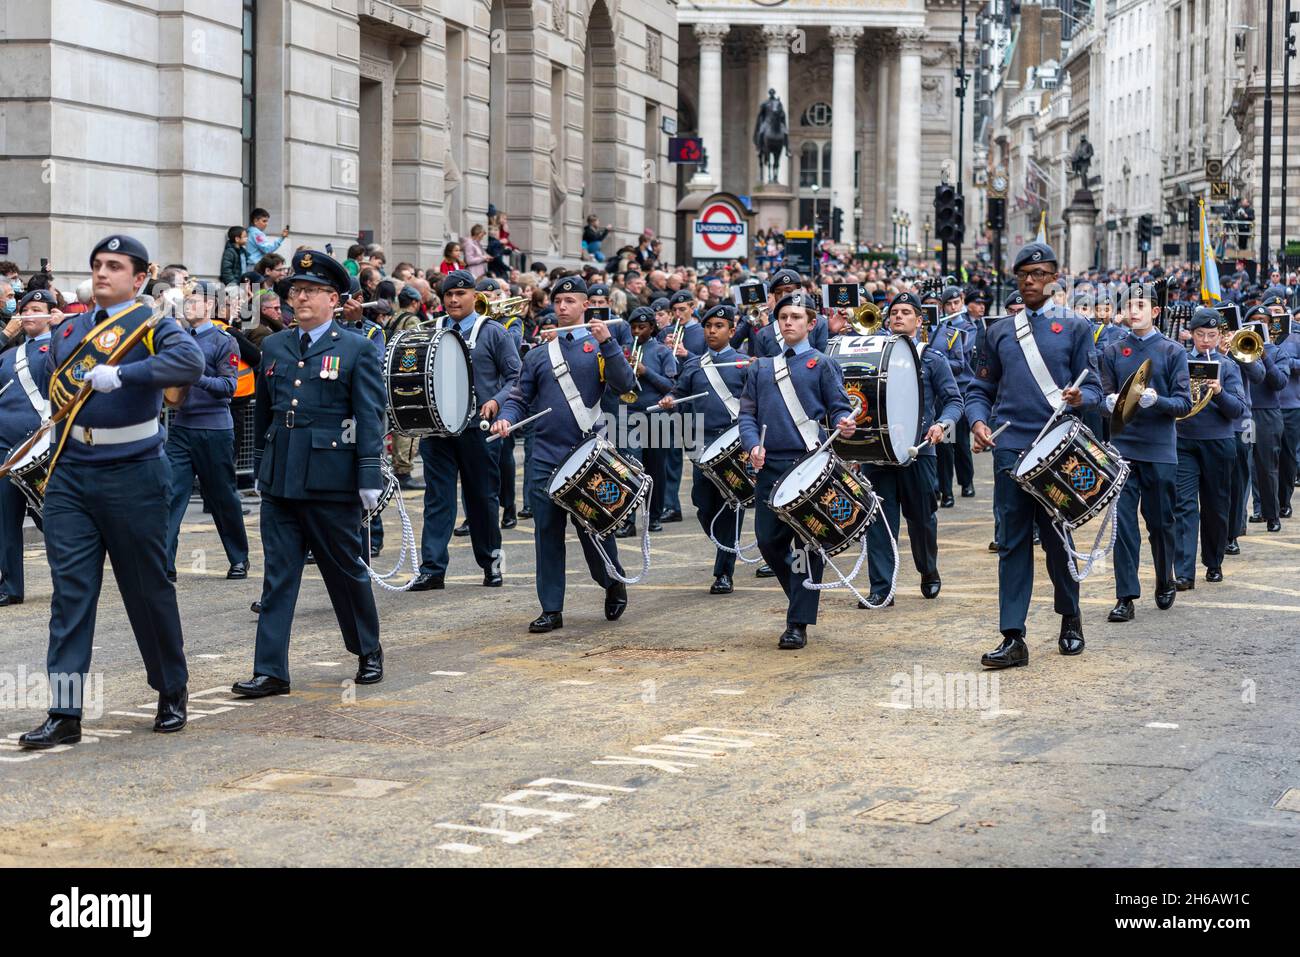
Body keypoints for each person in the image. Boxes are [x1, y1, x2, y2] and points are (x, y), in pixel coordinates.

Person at [18, 235, 204, 749]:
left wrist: (121, 373)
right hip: (72, 473)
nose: (102, 273)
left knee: (146, 589)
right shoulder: (72, 328)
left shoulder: (152, 327)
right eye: (97, 264)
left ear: (139, 278)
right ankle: (65, 711)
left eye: (115, 266)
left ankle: (170, 688)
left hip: (134, 472)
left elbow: (189, 365)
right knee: (70, 596)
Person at [232, 249, 386, 698]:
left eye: (311, 292)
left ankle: (367, 649)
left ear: (333, 299)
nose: (299, 299)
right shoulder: (276, 346)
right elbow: (265, 411)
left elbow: (368, 415)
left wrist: (369, 475)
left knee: (344, 570)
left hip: (331, 476)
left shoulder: (355, 346)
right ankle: (271, 669)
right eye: (295, 291)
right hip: (282, 475)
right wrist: (261, 465)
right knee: (278, 575)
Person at [965, 241, 1101, 669]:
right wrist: (977, 421)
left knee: (1058, 541)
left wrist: (1081, 397)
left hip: (1057, 450)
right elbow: (979, 388)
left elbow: (1096, 388)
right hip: (1010, 448)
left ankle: (1070, 617)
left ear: (1054, 279)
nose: (1029, 281)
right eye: (1023, 274)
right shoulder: (999, 331)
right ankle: (1013, 636)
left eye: (1039, 274)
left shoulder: (1076, 327)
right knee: (1012, 543)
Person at [491, 274, 636, 632]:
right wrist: (506, 420)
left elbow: (626, 385)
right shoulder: (540, 354)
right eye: (558, 301)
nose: (563, 307)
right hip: (545, 455)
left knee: (595, 529)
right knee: (547, 533)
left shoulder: (601, 345)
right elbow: (520, 398)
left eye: (571, 302)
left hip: (589, 453)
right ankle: (551, 608)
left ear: (587, 305)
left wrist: (609, 346)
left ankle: (611, 580)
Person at [738, 292, 855, 650]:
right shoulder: (760, 367)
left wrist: (843, 421)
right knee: (768, 541)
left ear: (811, 324)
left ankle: (797, 623)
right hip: (770, 467)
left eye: (796, 317)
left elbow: (838, 407)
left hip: (809, 463)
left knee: (808, 546)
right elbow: (746, 414)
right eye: (784, 317)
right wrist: (752, 445)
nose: (788, 322)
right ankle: (801, 595)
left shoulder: (821, 364)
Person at [409, 270, 520, 591]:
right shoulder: (432, 331)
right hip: (438, 429)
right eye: (448, 295)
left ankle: (492, 566)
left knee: (483, 499)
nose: (454, 300)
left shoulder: (494, 332)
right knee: (437, 499)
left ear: (475, 296)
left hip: (478, 428)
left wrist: (497, 402)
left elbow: (516, 377)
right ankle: (432, 569)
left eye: (461, 294)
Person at [861, 292, 963, 606]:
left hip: (919, 451)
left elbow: (955, 401)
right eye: (894, 312)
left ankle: (928, 570)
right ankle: (882, 588)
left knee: (921, 519)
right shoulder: (874, 355)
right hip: (879, 453)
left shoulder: (932, 358)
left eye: (906, 312)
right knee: (879, 521)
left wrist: (942, 425)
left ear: (920, 321)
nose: (898, 317)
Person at [1099, 279, 1192, 621]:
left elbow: (1184, 403)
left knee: (1161, 522)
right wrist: (1106, 404)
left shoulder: (1172, 351)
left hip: (1159, 449)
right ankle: (1126, 595)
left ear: (1154, 311)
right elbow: (1102, 398)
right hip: (1122, 448)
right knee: (1123, 525)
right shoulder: (1112, 351)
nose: (1134, 313)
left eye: (1141, 307)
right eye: (1128, 307)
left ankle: (1164, 578)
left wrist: (1159, 401)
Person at [164, 282, 250, 583]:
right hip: (182, 427)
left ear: (211, 306)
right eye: (186, 300)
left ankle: (239, 558)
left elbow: (228, 388)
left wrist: (196, 377)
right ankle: (165, 564)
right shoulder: (179, 339)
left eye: (196, 300)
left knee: (223, 498)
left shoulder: (224, 341)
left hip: (214, 429)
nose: (189, 305)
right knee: (171, 495)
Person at [660, 303, 750, 593]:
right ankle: (726, 543)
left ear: (732, 331)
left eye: (719, 327)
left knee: (730, 507)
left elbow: (754, 404)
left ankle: (724, 572)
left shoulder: (743, 364)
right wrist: (670, 400)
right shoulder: (695, 364)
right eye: (709, 326)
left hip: (734, 446)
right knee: (702, 503)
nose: (712, 331)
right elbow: (680, 393)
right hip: (702, 445)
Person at [1173, 307, 1248, 588]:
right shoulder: (1179, 360)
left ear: (1220, 337)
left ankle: (1214, 562)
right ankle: (1183, 571)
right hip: (1184, 441)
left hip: (1219, 442)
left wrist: (1218, 392)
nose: (1206, 341)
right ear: (1191, 335)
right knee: (1184, 505)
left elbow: (1237, 410)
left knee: (1216, 506)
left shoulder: (1228, 366)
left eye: (1212, 335)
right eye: (1200, 335)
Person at [0, 290, 58, 607]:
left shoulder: (59, 348)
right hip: (6, 449)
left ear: (52, 314)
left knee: (51, 518)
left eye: (36, 309)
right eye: (24, 310)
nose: (27, 314)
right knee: (5, 520)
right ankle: (11, 585)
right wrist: (5, 334)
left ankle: (78, 572)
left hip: (39, 448)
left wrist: (65, 332)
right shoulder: (8, 354)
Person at [614, 306, 676, 537]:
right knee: (629, 469)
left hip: (655, 415)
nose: (638, 331)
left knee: (655, 469)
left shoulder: (661, 351)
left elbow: (670, 386)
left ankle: (654, 516)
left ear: (652, 327)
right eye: (634, 328)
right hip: (629, 414)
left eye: (643, 327)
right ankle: (628, 520)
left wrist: (645, 371)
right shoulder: (624, 350)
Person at [1242, 304, 1290, 532]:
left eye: (1264, 320)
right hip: (1242, 413)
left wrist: (1263, 356)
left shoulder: (1278, 352)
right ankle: (1237, 524)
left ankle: (1272, 514)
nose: (1260, 323)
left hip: (1267, 413)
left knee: (1267, 467)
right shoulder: (1236, 348)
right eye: (1255, 320)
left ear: (1270, 327)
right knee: (1239, 467)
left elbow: (1279, 382)